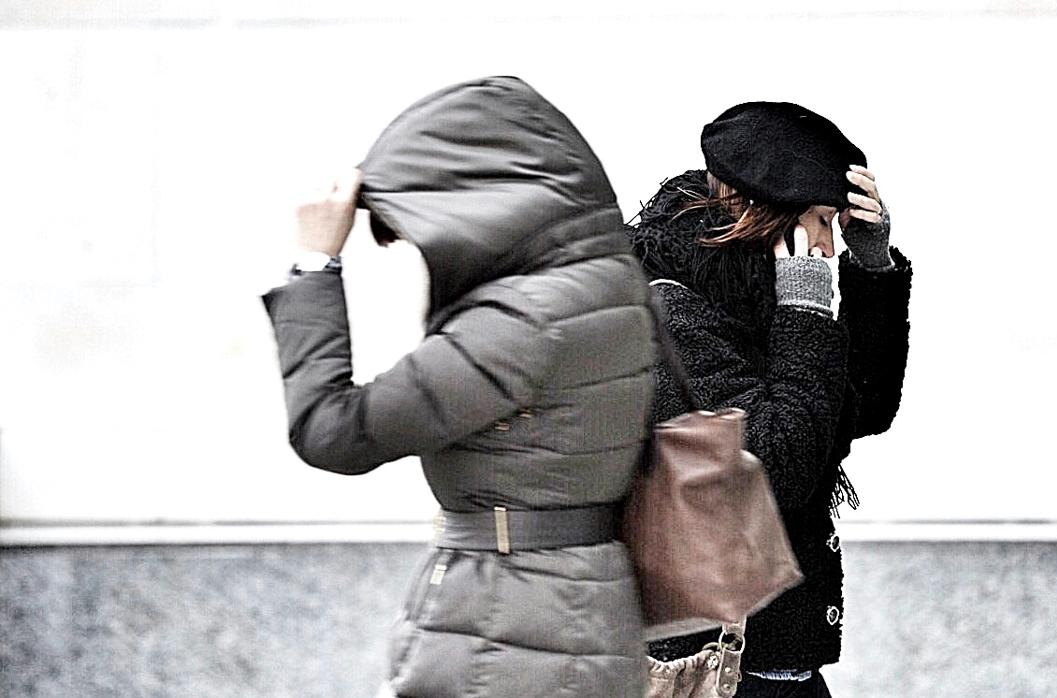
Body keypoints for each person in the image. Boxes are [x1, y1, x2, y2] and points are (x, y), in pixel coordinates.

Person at [261, 76, 654, 697]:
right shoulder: (610, 285)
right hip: (577, 607)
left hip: (512, 627)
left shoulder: (524, 322)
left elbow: (331, 432)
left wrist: (316, 265)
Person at [629, 101, 912, 697]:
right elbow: (771, 464)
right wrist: (805, 314)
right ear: (765, 215)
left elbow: (865, 409)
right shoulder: (670, 309)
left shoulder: (761, 292)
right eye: (820, 221)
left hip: (776, 655)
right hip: (717, 663)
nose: (829, 246)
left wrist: (873, 269)